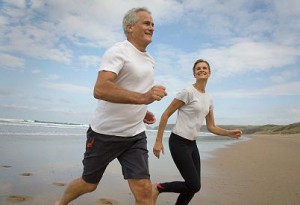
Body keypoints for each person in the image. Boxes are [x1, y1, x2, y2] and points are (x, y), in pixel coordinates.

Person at [54, 7, 167, 205]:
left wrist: (142, 111)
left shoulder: (149, 59)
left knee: (143, 190)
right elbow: (100, 89)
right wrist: (142, 99)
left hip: (134, 135)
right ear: (130, 27)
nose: (152, 27)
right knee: (89, 184)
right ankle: (60, 203)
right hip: (105, 134)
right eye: (146, 23)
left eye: (153, 24)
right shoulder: (118, 51)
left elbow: (133, 89)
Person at [152, 59, 242, 205]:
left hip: (192, 144)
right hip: (178, 142)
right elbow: (165, 114)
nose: (201, 70)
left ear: (209, 73)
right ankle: (157, 188)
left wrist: (228, 133)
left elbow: (211, 126)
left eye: (204, 68)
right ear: (194, 73)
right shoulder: (187, 92)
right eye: (198, 68)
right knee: (194, 185)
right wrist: (158, 141)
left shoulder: (209, 98)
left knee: (192, 187)